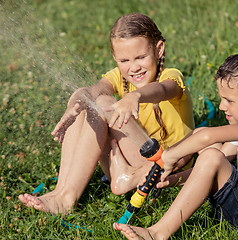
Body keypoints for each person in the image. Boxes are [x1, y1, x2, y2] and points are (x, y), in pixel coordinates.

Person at [113, 51, 238, 240]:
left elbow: (207, 138)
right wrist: (172, 180)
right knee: (209, 152)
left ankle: (156, 233)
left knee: (209, 152)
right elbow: (211, 166)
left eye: (229, 100)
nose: (222, 106)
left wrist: (169, 156)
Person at [18, 13, 194, 215]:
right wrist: (75, 104)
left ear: (159, 49)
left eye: (141, 57)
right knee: (85, 100)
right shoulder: (119, 76)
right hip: (134, 160)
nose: (134, 67)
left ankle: (67, 199)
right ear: (115, 58)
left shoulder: (171, 77)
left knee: (102, 103)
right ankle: (62, 191)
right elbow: (92, 91)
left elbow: (162, 90)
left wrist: (134, 96)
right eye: (124, 60)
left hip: (164, 169)